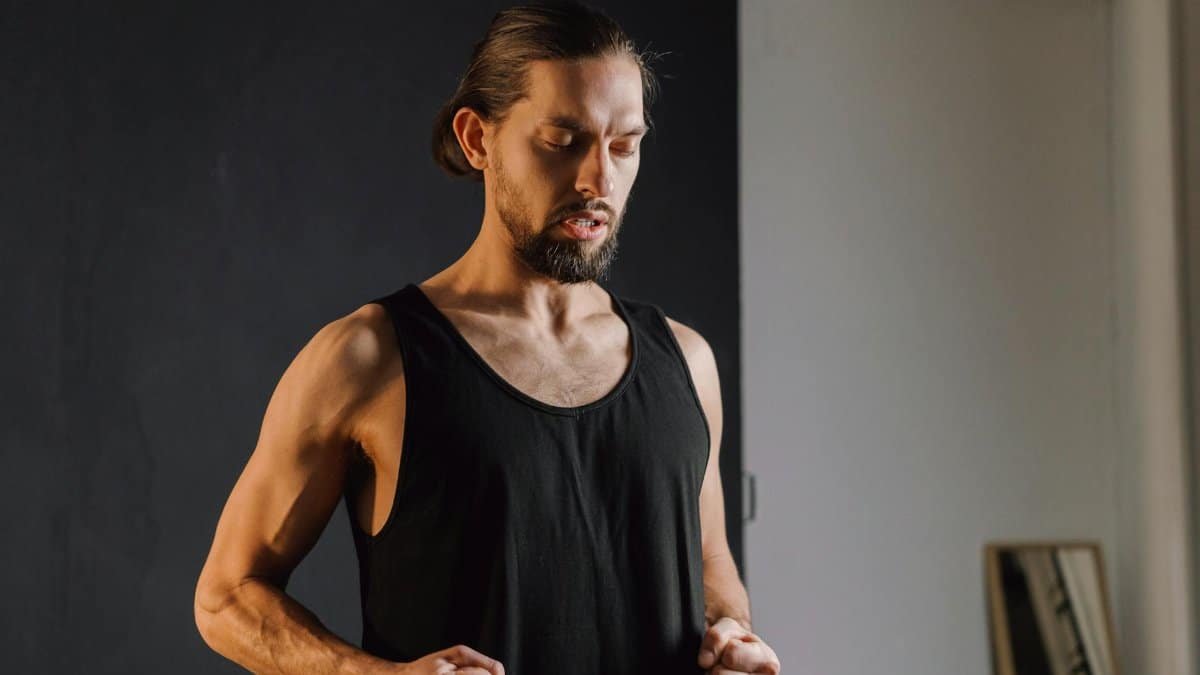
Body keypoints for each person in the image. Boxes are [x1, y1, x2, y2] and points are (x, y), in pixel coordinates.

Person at [193, 1, 780, 673]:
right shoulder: (370, 359)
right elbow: (227, 596)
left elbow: (711, 572)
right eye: (562, 141)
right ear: (478, 139)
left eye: (624, 146)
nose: (600, 180)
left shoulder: (686, 362)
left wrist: (732, 637)